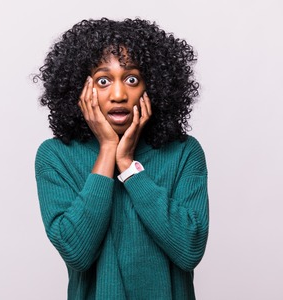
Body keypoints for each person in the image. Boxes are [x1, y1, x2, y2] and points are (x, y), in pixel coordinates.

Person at [34, 18, 209, 300]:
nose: (118, 95)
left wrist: (127, 165)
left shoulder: (184, 152)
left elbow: (188, 250)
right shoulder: (56, 156)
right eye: (103, 81)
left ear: (150, 87)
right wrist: (107, 150)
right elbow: (77, 253)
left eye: (131, 79)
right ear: (81, 92)